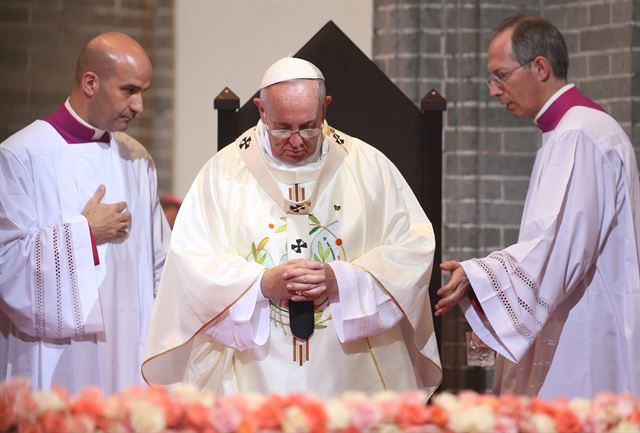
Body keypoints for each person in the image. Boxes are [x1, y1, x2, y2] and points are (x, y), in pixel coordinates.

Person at [142, 57, 442, 397]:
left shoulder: (368, 167)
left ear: (325, 107)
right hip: (251, 369)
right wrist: (260, 284)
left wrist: (341, 280)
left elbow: (413, 250)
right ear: (261, 110)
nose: (297, 141)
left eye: (309, 126)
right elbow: (189, 262)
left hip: (351, 369)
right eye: (283, 128)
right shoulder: (222, 174)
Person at [435, 14, 640, 399]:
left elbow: (558, 250)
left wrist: (480, 275)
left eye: (500, 75)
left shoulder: (577, 134)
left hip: (584, 335)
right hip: (578, 321)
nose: (494, 90)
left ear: (540, 67)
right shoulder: (572, 130)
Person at [0, 32, 170, 394]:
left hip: (128, 354)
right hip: (56, 358)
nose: (139, 105)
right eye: (129, 90)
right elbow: (7, 268)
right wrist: (84, 235)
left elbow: (160, 266)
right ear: (90, 82)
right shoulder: (20, 156)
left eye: (144, 91)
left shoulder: (137, 159)